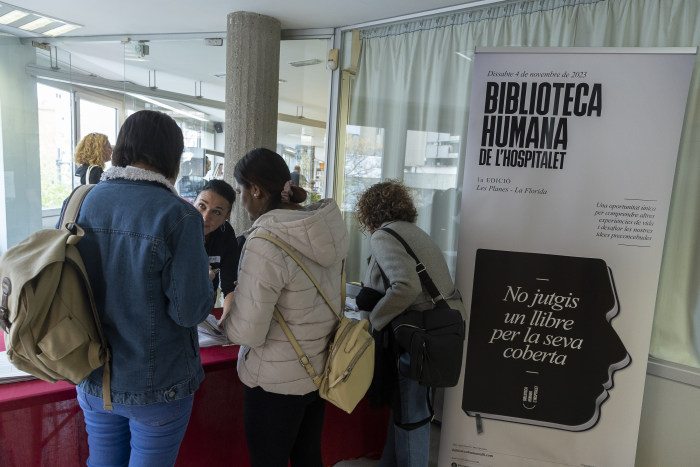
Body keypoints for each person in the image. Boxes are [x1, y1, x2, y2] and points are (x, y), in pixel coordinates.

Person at [66, 110, 215, 467]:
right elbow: (189, 311)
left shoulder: (80, 201)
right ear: (171, 158)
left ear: (121, 149)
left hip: (91, 372)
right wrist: (205, 286)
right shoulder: (179, 216)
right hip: (158, 384)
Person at [221, 148, 349, 467]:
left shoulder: (266, 240)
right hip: (316, 370)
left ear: (255, 189)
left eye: (240, 191)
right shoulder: (323, 230)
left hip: (274, 380)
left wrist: (226, 323)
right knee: (308, 457)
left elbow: (248, 331)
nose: (241, 201)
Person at [354, 179, 466, 467]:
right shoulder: (413, 232)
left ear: (368, 212)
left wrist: (376, 321)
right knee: (408, 411)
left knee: (412, 418)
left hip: (415, 337)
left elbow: (406, 287)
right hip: (437, 332)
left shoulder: (383, 236)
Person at [193, 179, 240, 312]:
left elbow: (229, 286)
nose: (205, 217)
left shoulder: (226, 235)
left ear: (226, 217)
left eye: (217, 212)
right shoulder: (178, 227)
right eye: (202, 206)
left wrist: (226, 316)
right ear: (193, 202)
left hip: (208, 298)